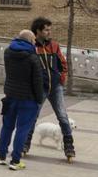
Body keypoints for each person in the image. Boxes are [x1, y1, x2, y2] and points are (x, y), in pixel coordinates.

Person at [23, 17, 74, 160]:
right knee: (32, 117)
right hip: (40, 89)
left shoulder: (54, 46)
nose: (49, 32)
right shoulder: (31, 47)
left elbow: (63, 63)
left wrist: (62, 78)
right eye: (46, 29)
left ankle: (69, 147)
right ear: (38, 31)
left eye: (50, 29)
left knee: (63, 117)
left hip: (55, 87)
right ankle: (25, 145)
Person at [0, 30, 45, 170]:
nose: (35, 42)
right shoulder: (33, 57)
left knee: (7, 126)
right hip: (28, 99)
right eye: (34, 40)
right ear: (30, 41)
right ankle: (15, 160)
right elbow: (37, 80)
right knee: (22, 129)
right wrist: (39, 99)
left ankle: (1, 156)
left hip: (10, 95)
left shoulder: (8, 52)